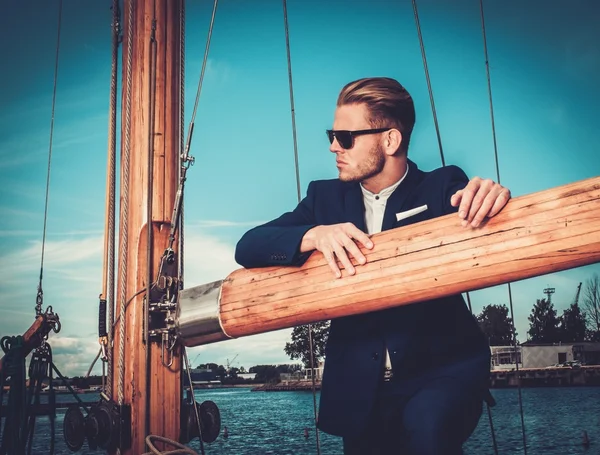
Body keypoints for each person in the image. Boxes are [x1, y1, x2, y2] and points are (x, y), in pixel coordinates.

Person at [235, 77, 510, 455]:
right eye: (332, 134)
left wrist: (489, 196)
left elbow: (467, 201)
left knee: (427, 429)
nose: (334, 146)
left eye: (346, 137)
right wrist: (314, 235)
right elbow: (248, 245)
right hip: (359, 388)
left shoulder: (441, 186)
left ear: (390, 140)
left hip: (440, 375)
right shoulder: (323, 199)